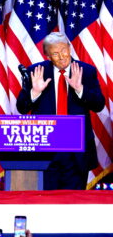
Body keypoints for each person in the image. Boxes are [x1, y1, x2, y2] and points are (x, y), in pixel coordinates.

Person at [16, 32, 105, 190]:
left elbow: (99, 105)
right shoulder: (36, 72)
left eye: (64, 50)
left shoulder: (87, 71)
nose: (62, 56)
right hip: (46, 150)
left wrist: (80, 89)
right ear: (48, 56)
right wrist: (34, 92)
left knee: (74, 203)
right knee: (47, 203)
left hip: (77, 151)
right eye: (56, 53)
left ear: (70, 48)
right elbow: (22, 108)